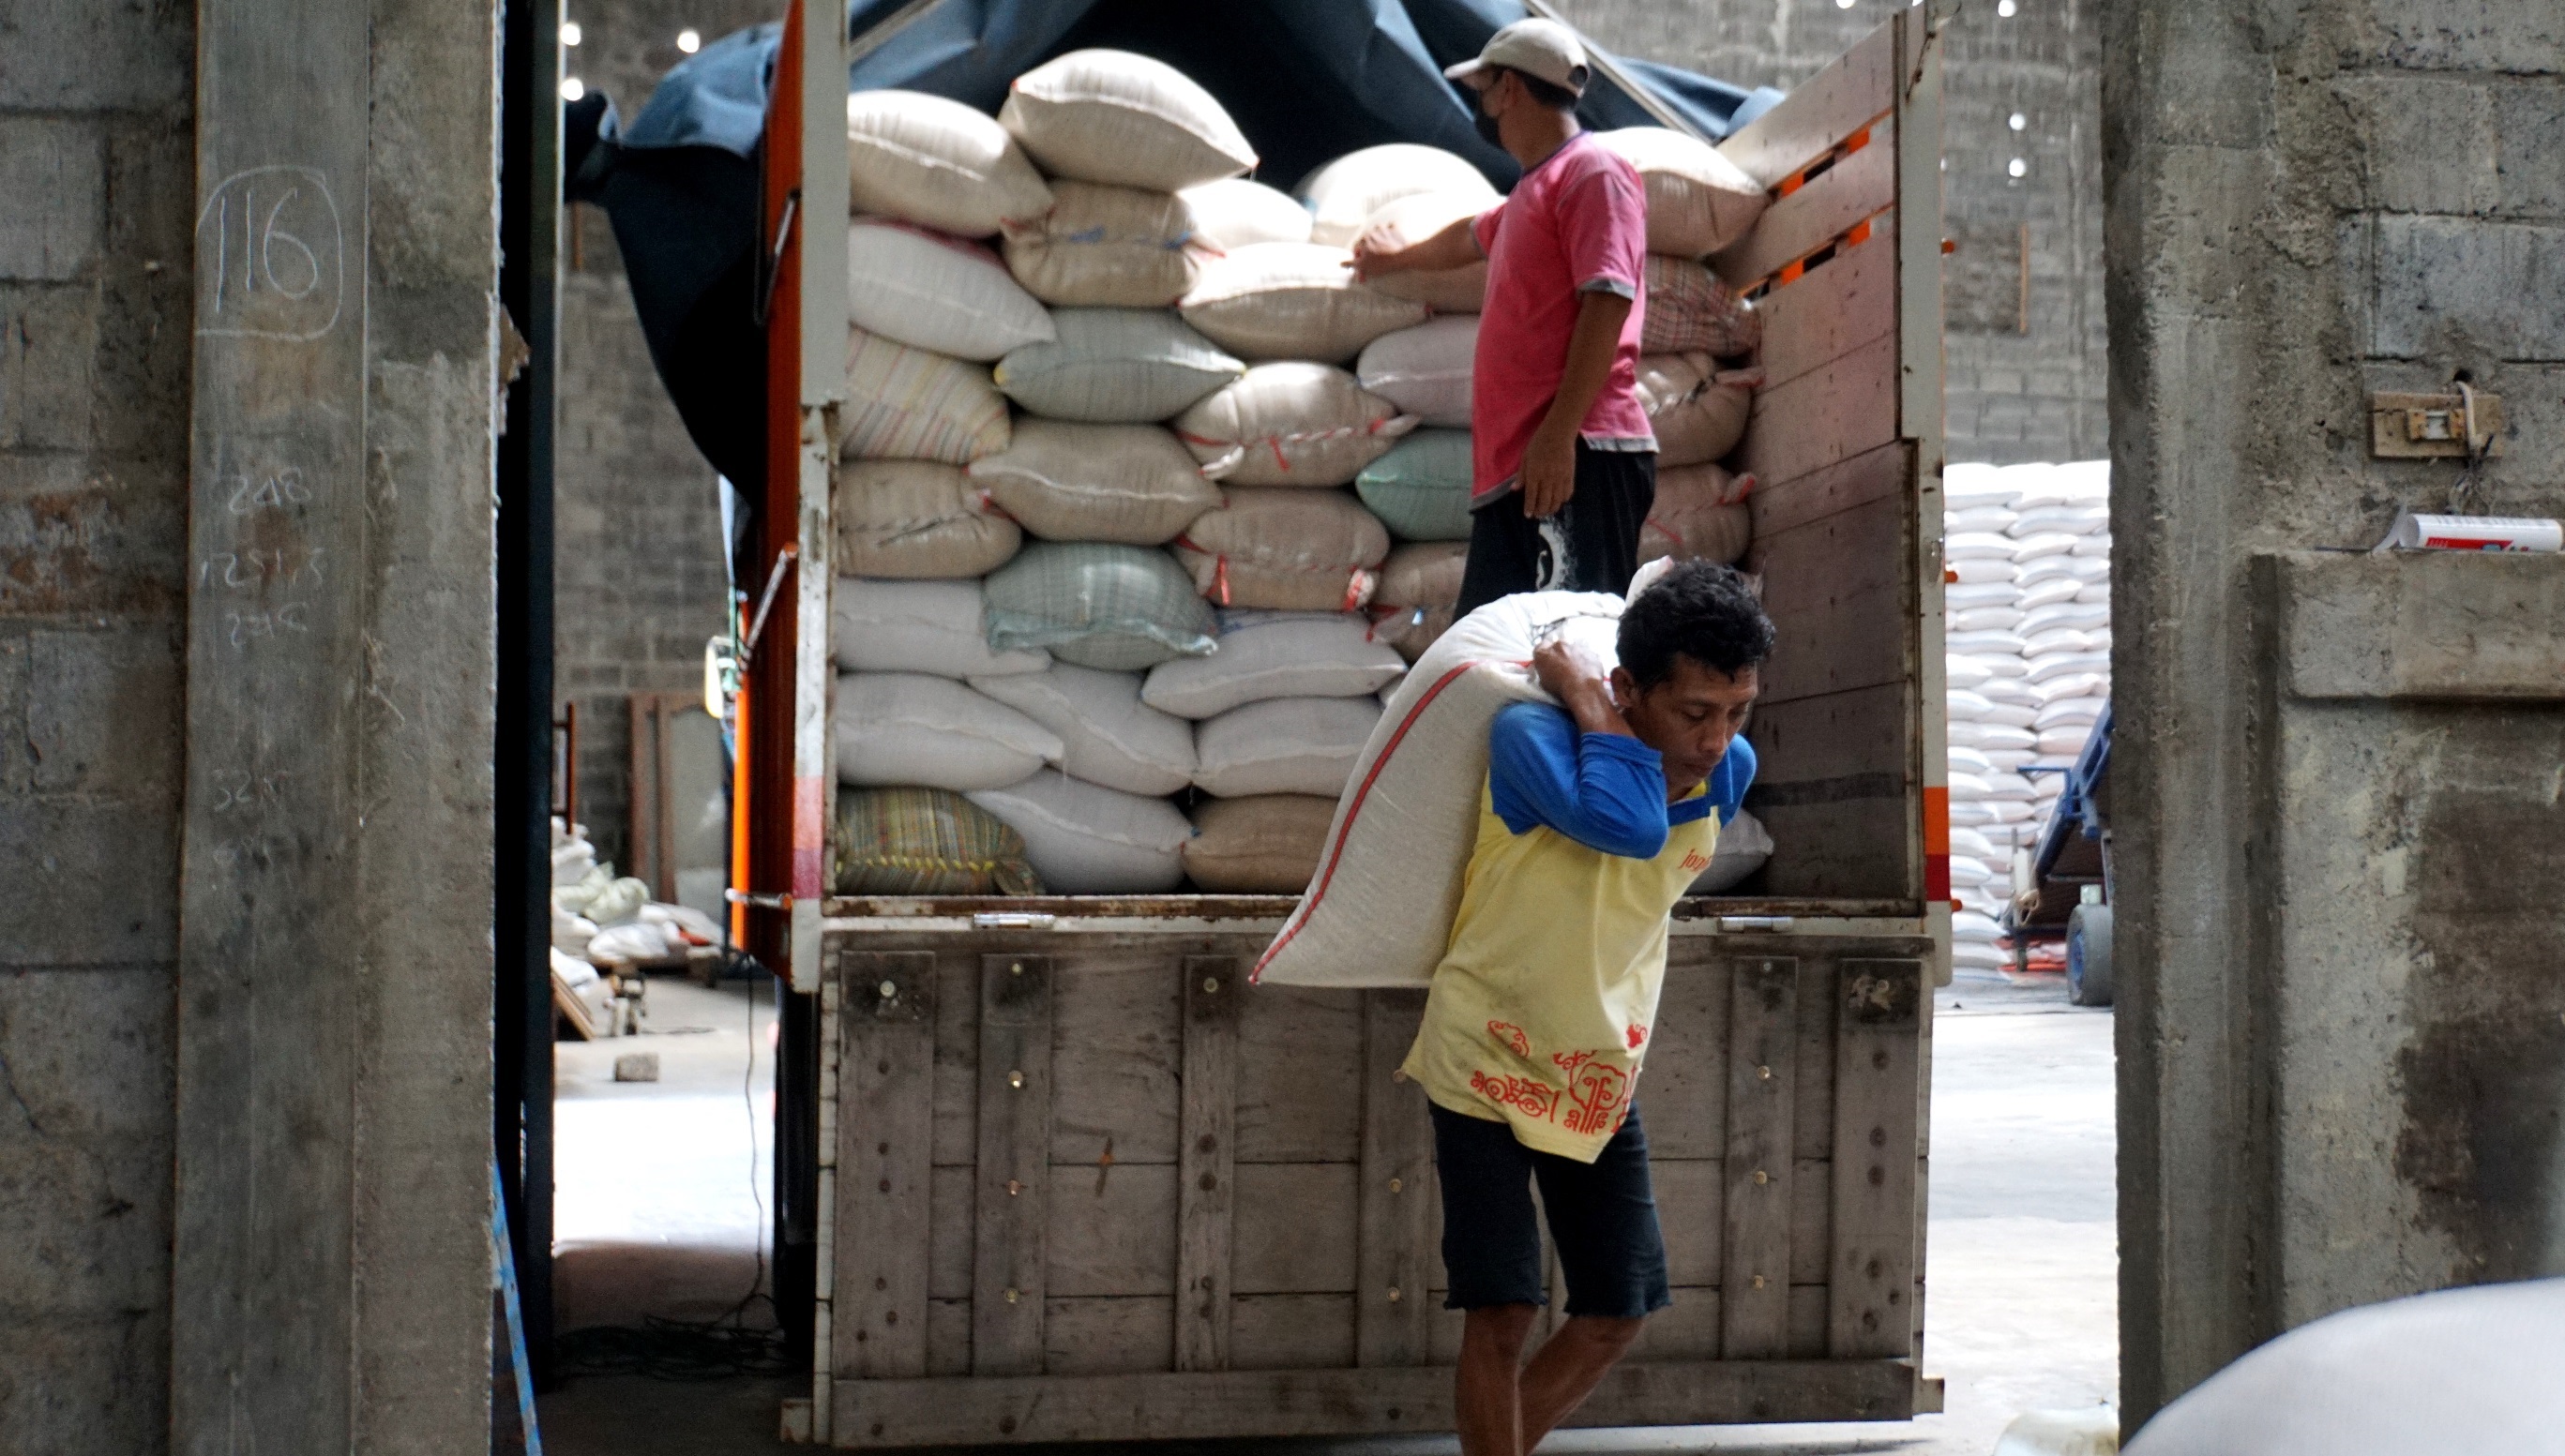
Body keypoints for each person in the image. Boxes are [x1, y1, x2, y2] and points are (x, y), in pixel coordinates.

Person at [1401, 561, 1771, 1456]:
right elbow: (1631, 825)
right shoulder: (1530, 736)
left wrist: (1610, 712)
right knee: (1503, 1308)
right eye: (1693, 713)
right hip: (1483, 1051)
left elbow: (1652, 812)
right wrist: (1580, 698)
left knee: (1614, 1308)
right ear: (1627, 686)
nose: (1716, 741)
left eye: (1737, 712)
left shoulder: (1727, 768)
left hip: (1597, 1064)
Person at [1352, 18, 1656, 617]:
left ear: (1510, 89)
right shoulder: (1531, 192)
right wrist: (1392, 259)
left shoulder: (1593, 171)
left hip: (1578, 455)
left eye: (1484, 90)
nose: (1481, 106)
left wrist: (1558, 433)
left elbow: (1608, 301)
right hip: (1520, 471)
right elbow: (1466, 239)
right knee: (1496, 652)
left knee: (1566, 646)